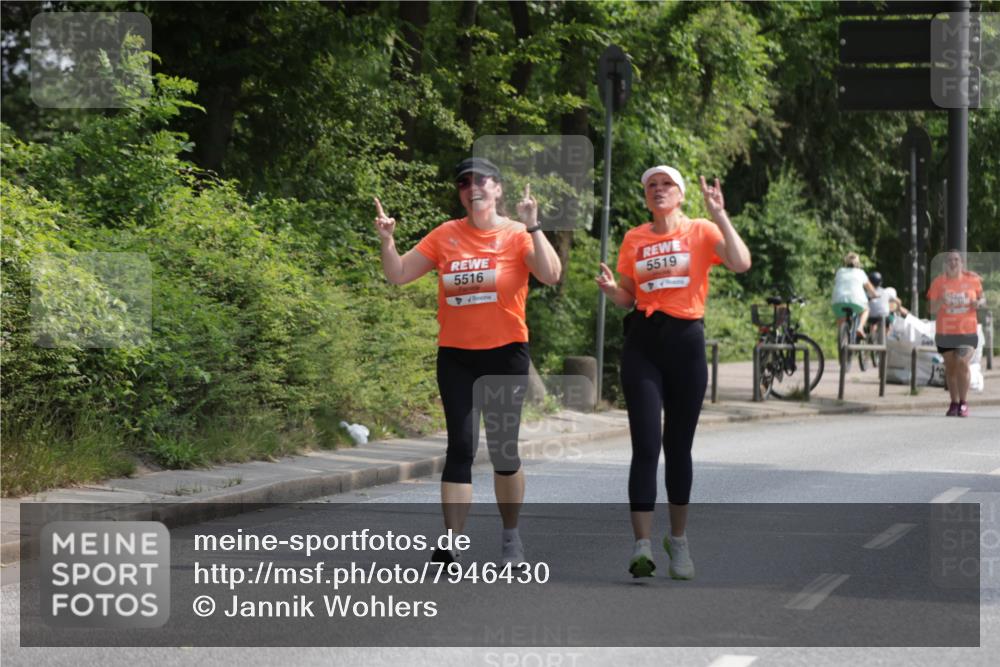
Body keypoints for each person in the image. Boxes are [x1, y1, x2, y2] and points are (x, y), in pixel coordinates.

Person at [375, 157, 560, 564]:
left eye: (481, 181)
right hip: (457, 356)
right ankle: (452, 542)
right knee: (460, 447)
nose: (471, 188)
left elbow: (550, 274)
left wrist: (533, 225)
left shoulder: (516, 234)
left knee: (503, 451)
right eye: (463, 183)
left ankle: (511, 538)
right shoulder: (445, 235)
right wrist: (388, 242)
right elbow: (400, 274)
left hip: (505, 355)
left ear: (497, 189)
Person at [595, 165, 750, 579]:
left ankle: (678, 542)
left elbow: (740, 262)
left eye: (666, 185)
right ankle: (642, 545)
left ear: (680, 194)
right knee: (646, 446)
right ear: (646, 196)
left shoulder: (700, 231)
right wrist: (614, 292)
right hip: (643, 343)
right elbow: (629, 297)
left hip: (686, 344)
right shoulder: (635, 238)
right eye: (651, 186)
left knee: (678, 448)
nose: (658, 190)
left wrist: (719, 214)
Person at [928, 250, 986, 417]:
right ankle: (953, 402)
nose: (953, 263)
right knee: (951, 367)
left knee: (962, 362)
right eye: (950, 260)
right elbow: (930, 308)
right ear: (946, 264)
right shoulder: (939, 282)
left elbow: (983, 299)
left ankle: (963, 402)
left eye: (956, 260)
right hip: (945, 331)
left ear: (961, 263)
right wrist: (940, 301)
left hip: (967, 331)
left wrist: (978, 303)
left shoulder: (972, 280)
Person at [831, 253, 877, 339]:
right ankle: (860, 327)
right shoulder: (861, 273)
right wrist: (876, 295)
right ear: (858, 263)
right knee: (866, 309)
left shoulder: (840, 271)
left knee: (841, 321)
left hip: (837, 301)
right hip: (856, 301)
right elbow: (871, 290)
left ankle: (842, 341)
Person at [866, 271, 909, 342]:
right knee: (887, 323)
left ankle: (872, 335)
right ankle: (885, 338)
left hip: (871, 316)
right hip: (884, 315)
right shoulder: (886, 292)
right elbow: (898, 301)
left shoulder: (868, 292)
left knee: (873, 322)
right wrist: (898, 307)